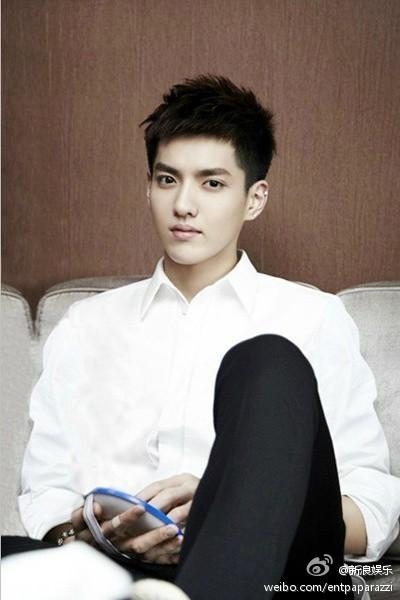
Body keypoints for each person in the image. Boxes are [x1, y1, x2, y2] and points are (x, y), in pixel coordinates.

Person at [4, 75, 400, 599]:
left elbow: (371, 509)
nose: (184, 205)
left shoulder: (313, 316)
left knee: (267, 360)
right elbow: (46, 496)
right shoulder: (85, 325)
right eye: (168, 180)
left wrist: (226, 501)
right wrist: (93, 530)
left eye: (212, 183)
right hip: (122, 566)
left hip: (276, 569)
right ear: (148, 187)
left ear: (254, 198)